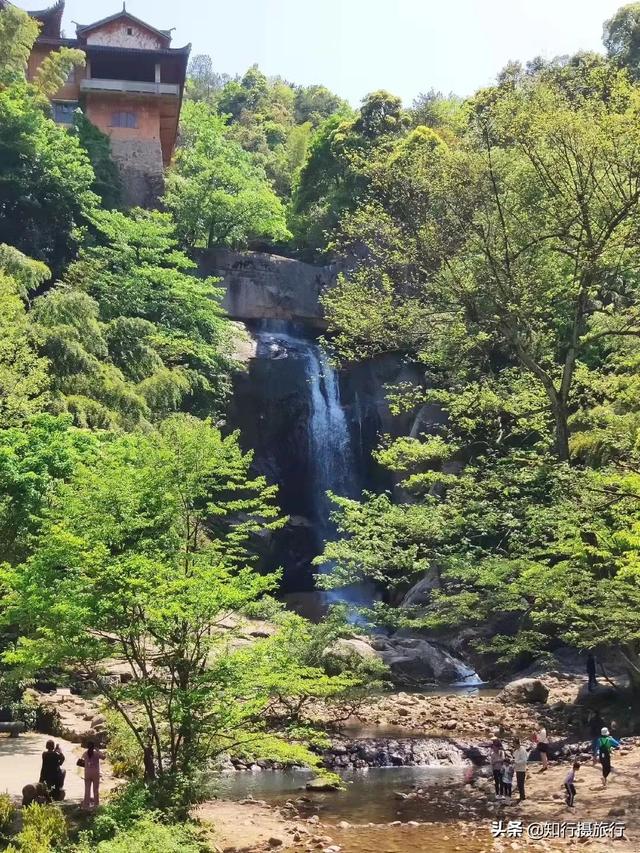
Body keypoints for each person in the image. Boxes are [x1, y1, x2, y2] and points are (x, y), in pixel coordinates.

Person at [81, 740, 105, 808]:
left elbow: (82, 760)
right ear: (93, 747)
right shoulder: (96, 754)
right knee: (95, 789)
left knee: (87, 789)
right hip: (95, 773)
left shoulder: (85, 753)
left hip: (87, 773)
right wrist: (98, 750)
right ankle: (96, 804)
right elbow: (104, 757)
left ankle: (86, 804)